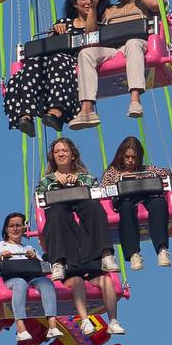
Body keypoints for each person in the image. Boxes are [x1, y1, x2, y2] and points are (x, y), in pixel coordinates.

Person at [34, 138, 124, 334]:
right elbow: (40, 199)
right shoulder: (46, 180)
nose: (60, 153)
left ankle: (106, 254)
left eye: (64, 150)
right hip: (61, 218)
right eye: (57, 151)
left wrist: (78, 182)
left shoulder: (85, 176)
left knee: (93, 207)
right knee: (57, 211)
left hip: (84, 231)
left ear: (72, 154)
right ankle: (59, 260)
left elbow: (96, 191)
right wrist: (57, 183)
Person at [3, 0, 110, 134]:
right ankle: (25, 116)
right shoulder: (64, 23)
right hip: (54, 59)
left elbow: (90, 36)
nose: (87, 2)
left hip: (75, 60)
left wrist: (93, 8)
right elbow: (49, 46)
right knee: (34, 62)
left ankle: (56, 112)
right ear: (75, 3)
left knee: (58, 60)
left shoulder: (100, 23)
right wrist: (55, 33)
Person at [69, 0, 162, 130]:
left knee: (133, 43)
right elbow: (91, 34)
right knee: (85, 54)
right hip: (113, 50)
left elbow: (158, 5)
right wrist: (94, 9)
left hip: (137, 45)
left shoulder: (144, 1)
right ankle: (87, 109)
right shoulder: (109, 10)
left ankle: (135, 100)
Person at [101, 136, 172, 270]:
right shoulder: (113, 172)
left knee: (159, 203)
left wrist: (151, 177)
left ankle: (162, 249)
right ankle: (134, 254)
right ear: (121, 155)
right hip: (125, 200)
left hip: (147, 197)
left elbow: (170, 175)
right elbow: (104, 188)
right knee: (126, 207)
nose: (130, 161)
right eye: (127, 157)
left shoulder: (146, 170)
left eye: (134, 157)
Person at [0, 212, 61, 342]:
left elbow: (44, 269)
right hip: (9, 279)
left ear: (23, 228)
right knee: (20, 283)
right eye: (11, 226)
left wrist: (34, 258)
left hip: (31, 277)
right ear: (6, 228)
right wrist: (1, 257)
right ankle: (21, 328)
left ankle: (52, 325)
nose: (15, 229)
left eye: (18, 226)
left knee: (46, 283)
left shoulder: (29, 247)